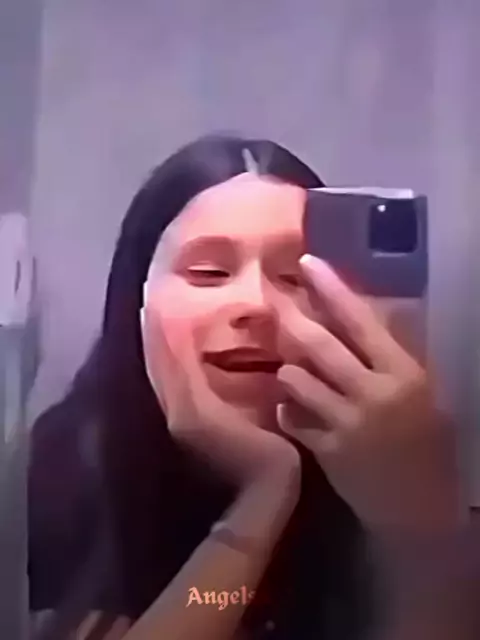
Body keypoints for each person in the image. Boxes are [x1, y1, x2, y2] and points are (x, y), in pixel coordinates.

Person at [28, 134, 469, 640]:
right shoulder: (51, 486)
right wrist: (264, 496)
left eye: (294, 277)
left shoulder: (393, 479)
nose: (255, 304)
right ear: (138, 303)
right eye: (209, 272)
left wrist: (422, 524)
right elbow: (215, 602)